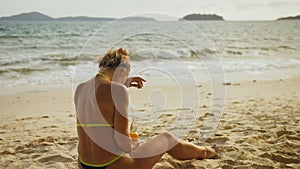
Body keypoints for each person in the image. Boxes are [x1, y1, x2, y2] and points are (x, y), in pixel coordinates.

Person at [74, 48, 218, 169]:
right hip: (111, 165)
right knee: (167, 139)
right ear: (123, 70)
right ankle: (206, 152)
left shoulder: (80, 89)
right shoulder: (118, 91)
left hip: (84, 164)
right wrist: (133, 144)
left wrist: (123, 83)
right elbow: (122, 143)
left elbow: (100, 112)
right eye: (126, 75)